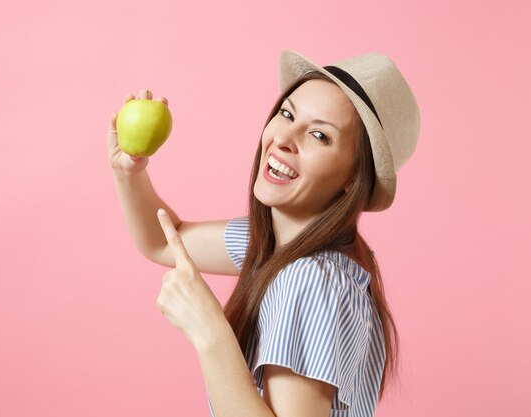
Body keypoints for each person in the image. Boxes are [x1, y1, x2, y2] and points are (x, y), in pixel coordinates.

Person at [107, 49, 420, 417]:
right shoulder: (276, 247)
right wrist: (130, 172)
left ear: (354, 177)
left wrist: (209, 329)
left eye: (319, 135)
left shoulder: (309, 280)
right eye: (287, 114)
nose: (284, 139)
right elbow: (164, 240)